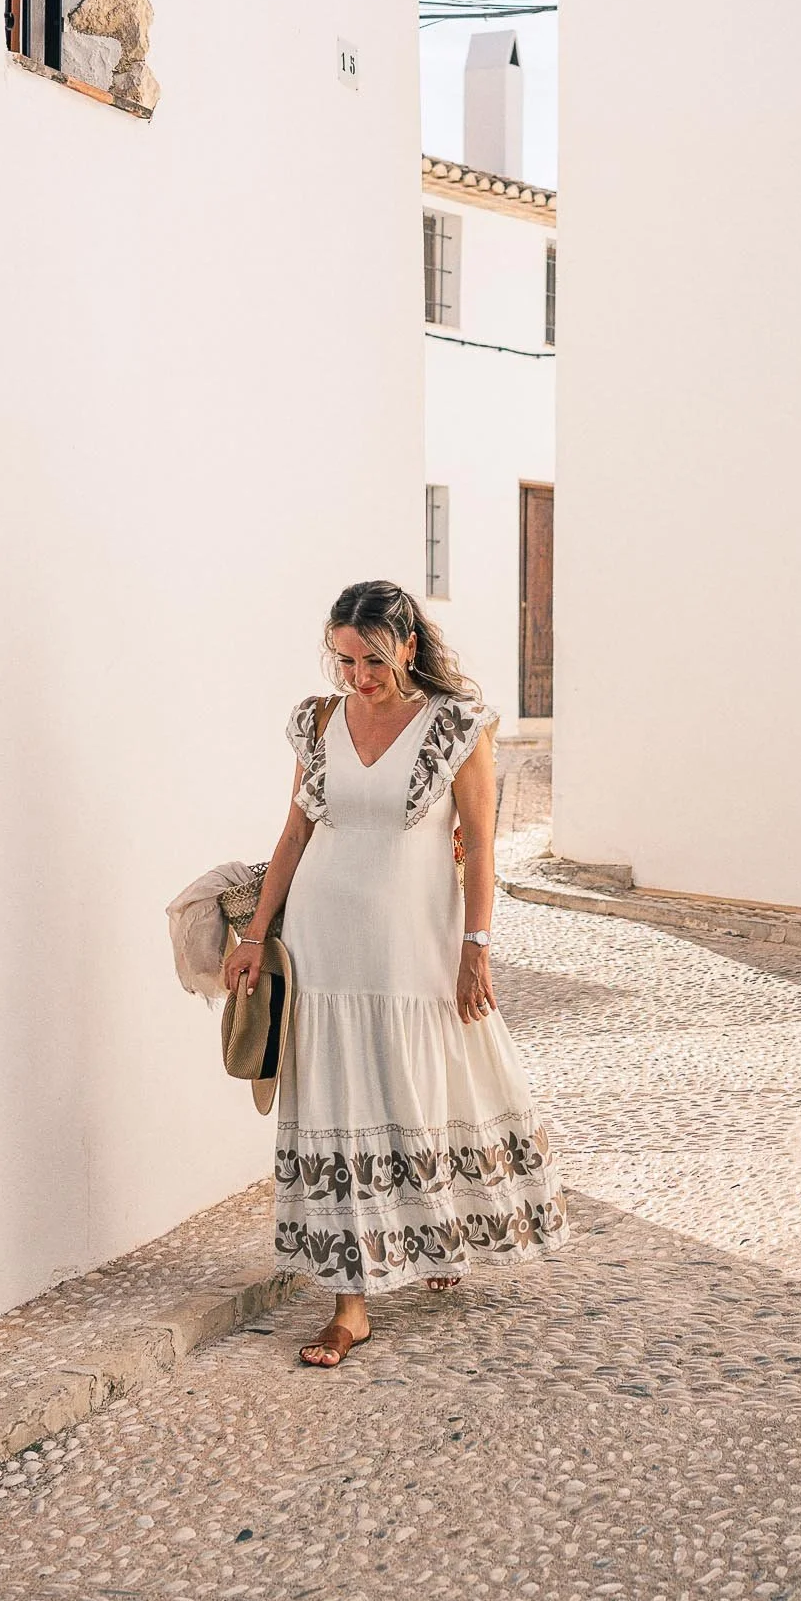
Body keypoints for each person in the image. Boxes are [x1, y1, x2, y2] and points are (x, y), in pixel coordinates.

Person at [224, 579, 567, 1366]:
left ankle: (434, 1231)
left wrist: (476, 947)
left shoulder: (457, 726)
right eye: (345, 660)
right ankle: (350, 1305)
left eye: (373, 660)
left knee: (424, 1085)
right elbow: (293, 835)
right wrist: (256, 932)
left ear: (409, 645)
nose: (358, 677)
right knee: (337, 1102)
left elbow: (479, 847)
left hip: (414, 943)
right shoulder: (318, 722)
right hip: (322, 944)